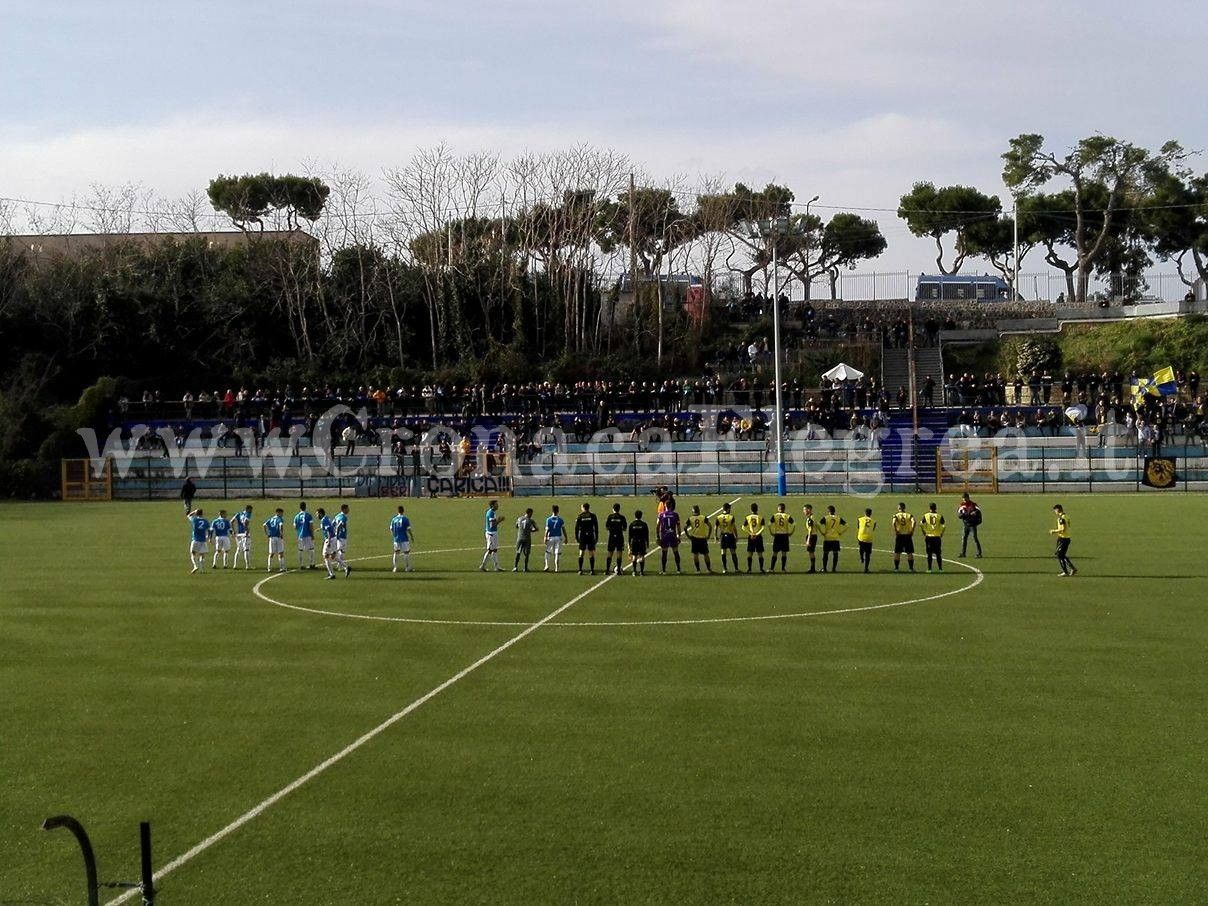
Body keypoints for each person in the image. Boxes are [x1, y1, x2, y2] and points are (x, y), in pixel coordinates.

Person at [682, 504, 713, 573]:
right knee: (706, 554)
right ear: (699, 510)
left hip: (694, 538)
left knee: (695, 554)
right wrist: (708, 535)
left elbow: (685, 528)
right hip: (703, 538)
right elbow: (710, 526)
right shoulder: (703, 517)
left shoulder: (690, 518)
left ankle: (698, 570)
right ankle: (708, 569)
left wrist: (688, 536)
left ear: (693, 511)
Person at [1050, 503, 1077, 577]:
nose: (1055, 512)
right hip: (1066, 538)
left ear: (1057, 510)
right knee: (1061, 555)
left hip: (1063, 539)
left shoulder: (1061, 518)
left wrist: (1054, 531)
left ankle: (1066, 571)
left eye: (1055, 511)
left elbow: (1063, 529)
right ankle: (1072, 569)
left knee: (1059, 555)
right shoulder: (1066, 516)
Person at [819, 505, 847, 573]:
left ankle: (825, 569)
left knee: (825, 553)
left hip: (827, 538)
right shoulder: (838, 518)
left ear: (828, 511)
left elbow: (818, 524)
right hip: (835, 538)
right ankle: (834, 569)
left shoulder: (826, 518)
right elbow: (847, 526)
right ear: (834, 511)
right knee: (835, 553)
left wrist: (822, 532)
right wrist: (841, 533)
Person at [714, 501, 739, 575]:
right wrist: (736, 536)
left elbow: (715, 528)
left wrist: (715, 536)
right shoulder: (731, 517)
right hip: (730, 536)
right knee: (733, 552)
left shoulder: (718, 517)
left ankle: (724, 569)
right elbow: (734, 527)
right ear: (728, 509)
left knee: (723, 552)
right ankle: (736, 569)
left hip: (722, 536)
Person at [769, 503, 795, 572]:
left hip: (777, 535)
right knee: (784, 553)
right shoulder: (787, 516)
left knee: (775, 552)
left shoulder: (775, 516)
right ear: (784, 509)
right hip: (785, 536)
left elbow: (769, 524)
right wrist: (791, 532)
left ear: (778, 509)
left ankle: (772, 568)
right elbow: (794, 524)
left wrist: (771, 532)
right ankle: (783, 569)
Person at [574, 502, 599, 575]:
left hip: (582, 536)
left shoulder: (580, 516)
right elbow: (596, 527)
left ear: (583, 508)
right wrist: (596, 537)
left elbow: (576, 528)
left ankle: (580, 570)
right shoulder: (593, 516)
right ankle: (592, 570)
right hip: (590, 536)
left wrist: (576, 537)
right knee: (591, 553)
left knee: (581, 553)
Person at [920, 502, 945, 573]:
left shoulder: (926, 515)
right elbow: (943, 526)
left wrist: (924, 531)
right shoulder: (939, 516)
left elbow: (921, 524)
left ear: (929, 508)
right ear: (936, 508)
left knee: (929, 553)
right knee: (938, 553)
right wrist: (941, 533)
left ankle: (929, 569)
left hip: (929, 537)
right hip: (937, 537)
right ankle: (940, 569)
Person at [891, 502, 916, 572]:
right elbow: (914, 521)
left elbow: (893, 523)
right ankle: (911, 568)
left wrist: (896, 530)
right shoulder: (909, 515)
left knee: (897, 552)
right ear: (904, 508)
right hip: (907, 535)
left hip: (899, 535)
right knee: (909, 552)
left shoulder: (896, 515)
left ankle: (896, 568)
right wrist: (912, 530)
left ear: (899, 508)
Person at [656, 504, 682, 574]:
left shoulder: (661, 514)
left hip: (664, 536)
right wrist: (679, 535)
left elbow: (657, 526)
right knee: (675, 552)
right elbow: (678, 526)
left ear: (665, 506)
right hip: (673, 535)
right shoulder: (675, 514)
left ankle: (664, 570)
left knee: (664, 553)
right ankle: (678, 569)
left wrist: (657, 536)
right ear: (671, 506)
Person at [742, 502, 766, 574]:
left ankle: (749, 569)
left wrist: (751, 533)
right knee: (760, 554)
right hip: (758, 537)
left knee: (750, 553)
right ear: (757, 509)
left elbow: (743, 527)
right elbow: (763, 527)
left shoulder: (748, 517)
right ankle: (761, 569)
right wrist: (757, 534)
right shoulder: (760, 517)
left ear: (751, 509)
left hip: (751, 537)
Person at [479, 499, 503, 572]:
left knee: (494, 550)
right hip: (491, 534)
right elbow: (492, 525)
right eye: (496, 504)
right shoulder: (491, 513)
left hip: (493, 533)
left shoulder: (491, 512)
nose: (497, 505)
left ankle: (496, 566)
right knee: (490, 550)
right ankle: (482, 566)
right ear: (492, 505)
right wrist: (499, 520)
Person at [604, 503, 628, 575]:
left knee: (610, 553)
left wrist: (612, 529)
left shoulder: (610, 517)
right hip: (619, 537)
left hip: (611, 537)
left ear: (613, 509)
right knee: (619, 553)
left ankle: (607, 570)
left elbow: (607, 527)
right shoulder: (622, 517)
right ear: (619, 509)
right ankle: (619, 571)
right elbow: (624, 528)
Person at [957, 492, 983, 558]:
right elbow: (959, 515)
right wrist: (966, 515)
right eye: (963, 499)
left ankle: (979, 553)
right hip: (966, 524)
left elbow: (978, 511)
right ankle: (963, 553)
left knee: (975, 538)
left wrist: (975, 513)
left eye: (965, 499)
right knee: (964, 538)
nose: (964, 500)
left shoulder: (973, 505)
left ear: (968, 498)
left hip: (972, 525)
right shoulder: (962, 505)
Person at [391, 505, 414, 573]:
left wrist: (394, 536)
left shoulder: (394, 519)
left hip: (396, 539)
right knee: (406, 553)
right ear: (403, 511)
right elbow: (408, 529)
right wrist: (412, 536)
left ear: (397, 511)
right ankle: (407, 568)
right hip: (404, 539)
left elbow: (391, 529)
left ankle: (395, 568)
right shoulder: (405, 519)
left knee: (396, 553)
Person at [294, 502, 316, 570]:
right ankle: (312, 564)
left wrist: (299, 530)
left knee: (300, 550)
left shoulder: (296, 516)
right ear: (305, 507)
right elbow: (311, 526)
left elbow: (295, 527)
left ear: (300, 508)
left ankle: (301, 565)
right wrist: (312, 534)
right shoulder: (308, 515)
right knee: (311, 549)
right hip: (308, 535)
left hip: (300, 535)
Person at [186, 508, 210, 573]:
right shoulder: (206, 521)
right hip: (203, 540)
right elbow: (209, 530)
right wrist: (208, 537)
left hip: (195, 539)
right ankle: (202, 569)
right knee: (202, 555)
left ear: (196, 514)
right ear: (202, 513)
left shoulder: (194, 520)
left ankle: (195, 566)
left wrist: (194, 511)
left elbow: (188, 515)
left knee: (193, 553)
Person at [628, 509, 650, 577]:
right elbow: (647, 535)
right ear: (641, 516)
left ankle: (634, 571)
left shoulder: (632, 524)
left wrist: (629, 545)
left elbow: (630, 536)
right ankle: (641, 572)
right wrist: (647, 544)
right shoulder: (644, 524)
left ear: (635, 516)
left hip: (634, 542)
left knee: (634, 556)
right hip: (642, 542)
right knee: (642, 556)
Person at [543, 505, 566, 572]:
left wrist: (545, 537)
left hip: (550, 538)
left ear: (552, 511)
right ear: (558, 511)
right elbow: (563, 529)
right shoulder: (560, 519)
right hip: (558, 538)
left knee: (548, 552)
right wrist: (566, 537)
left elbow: (547, 530)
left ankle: (546, 565)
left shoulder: (548, 519)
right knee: (557, 553)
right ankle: (557, 568)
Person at [318, 507, 339, 579]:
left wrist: (329, 541)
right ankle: (344, 567)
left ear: (320, 513)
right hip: (332, 538)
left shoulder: (324, 520)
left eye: (317, 514)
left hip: (330, 539)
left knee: (325, 556)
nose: (317, 516)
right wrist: (319, 529)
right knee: (330, 556)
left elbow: (329, 531)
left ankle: (331, 574)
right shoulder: (326, 518)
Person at [264, 507, 287, 572]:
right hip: (278, 537)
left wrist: (267, 534)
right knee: (281, 552)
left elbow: (264, 525)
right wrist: (281, 533)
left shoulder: (271, 519)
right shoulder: (280, 519)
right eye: (281, 513)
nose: (282, 514)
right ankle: (282, 568)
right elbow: (281, 525)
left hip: (271, 537)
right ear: (278, 513)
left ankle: (269, 568)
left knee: (271, 553)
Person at [232, 504, 254, 569]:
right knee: (246, 550)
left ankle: (235, 565)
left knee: (238, 549)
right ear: (248, 509)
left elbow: (231, 521)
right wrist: (246, 529)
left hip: (238, 534)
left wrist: (233, 531)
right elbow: (245, 522)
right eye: (251, 510)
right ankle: (248, 566)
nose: (251, 511)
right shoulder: (248, 514)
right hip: (245, 534)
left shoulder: (239, 513)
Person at [333, 504, 351, 577]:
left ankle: (339, 566)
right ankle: (343, 567)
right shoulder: (343, 517)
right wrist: (337, 534)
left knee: (341, 551)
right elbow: (339, 525)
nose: (348, 510)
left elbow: (333, 524)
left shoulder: (337, 516)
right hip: (341, 537)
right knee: (338, 552)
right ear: (344, 509)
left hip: (338, 537)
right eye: (347, 509)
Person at [856, 507, 876, 573]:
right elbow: (873, 529)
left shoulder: (860, 519)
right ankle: (866, 568)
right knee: (868, 554)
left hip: (861, 537)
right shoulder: (874, 521)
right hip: (869, 538)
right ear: (871, 514)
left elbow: (858, 527)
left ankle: (861, 557)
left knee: (861, 548)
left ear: (864, 513)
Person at [801, 503, 819, 574]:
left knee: (811, 552)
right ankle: (812, 568)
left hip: (811, 536)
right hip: (813, 536)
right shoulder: (812, 517)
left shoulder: (810, 519)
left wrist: (808, 539)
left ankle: (812, 568)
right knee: (811, 552)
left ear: (809, 510)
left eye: (804, 510)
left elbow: (810, 529)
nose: (804, 511)